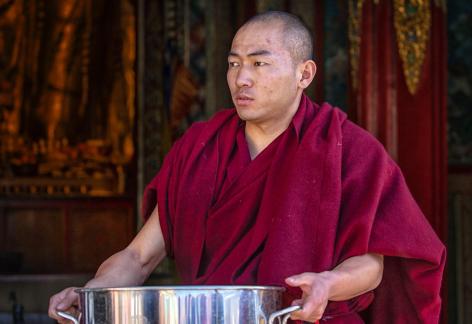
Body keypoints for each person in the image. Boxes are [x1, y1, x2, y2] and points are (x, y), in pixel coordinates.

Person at [49, 11, 445, 323]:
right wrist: (91, 296)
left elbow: (371, 265)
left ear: (304, 74)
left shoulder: (348, 148)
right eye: (234, 63)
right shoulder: (200, 148)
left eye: (259, 64)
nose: (242, 79)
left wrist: (328, 284)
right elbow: (139, 257)